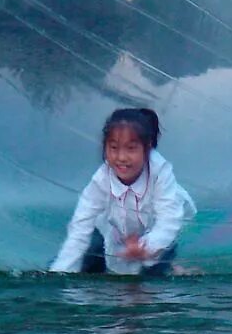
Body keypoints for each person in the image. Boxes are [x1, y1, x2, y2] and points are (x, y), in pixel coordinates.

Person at [49, 108, 196, 275]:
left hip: (155, 231)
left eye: (131, 148)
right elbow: (80, 227)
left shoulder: (160, 174)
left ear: (147, 149)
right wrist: (60, 271)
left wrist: (147, 247)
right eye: (113, 148)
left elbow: (168, 221)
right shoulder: (101, 179)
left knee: (152, 278)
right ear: (105, 148)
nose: (121, 157)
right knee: (90, 259)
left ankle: (173, 268)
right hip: (116, 229)